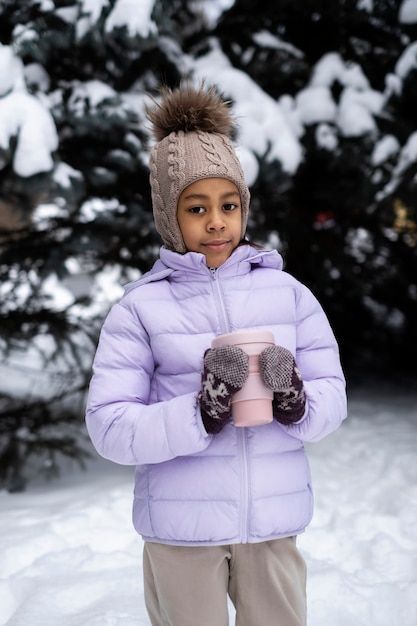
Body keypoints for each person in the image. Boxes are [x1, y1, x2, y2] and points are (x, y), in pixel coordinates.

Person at [85, 82, 347, 626]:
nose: (216, 222)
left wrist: (296, 401)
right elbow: (109, 426)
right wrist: (199, 411)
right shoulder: (140, 310)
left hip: (272, 522)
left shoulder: (290, 295)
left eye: (228, 205)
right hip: (182, 531)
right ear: (168, 216)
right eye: (196, 207)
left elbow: (332, 397)